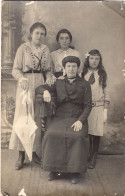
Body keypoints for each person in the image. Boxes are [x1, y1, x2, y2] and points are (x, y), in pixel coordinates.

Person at [35, 56, 92, 184]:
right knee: (51, 134)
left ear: (78, 68)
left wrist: (80, 121)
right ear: (64, 69)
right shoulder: (58, 82)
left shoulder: (85, 84)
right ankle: (53, 169)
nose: (71, 69)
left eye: (74, 66)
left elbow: (88, 105)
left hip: (77, 117)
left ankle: (74, 171)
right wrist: (45, 92)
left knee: (78, 136)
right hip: (60, 117)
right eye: (68, 66)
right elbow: (38, 88)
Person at [9, 22, 55, 170]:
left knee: (37, 118)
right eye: (37, 33)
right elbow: (15, 69)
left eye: (42, 34)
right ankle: (21, 155)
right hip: (25, 84)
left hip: (40, 84)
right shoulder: (23, 48)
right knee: (24, 118)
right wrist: (21, 79)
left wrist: (49, 77)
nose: (40, 36)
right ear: (31, 34)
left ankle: (34, 153)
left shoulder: (45, 49)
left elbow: (48, 69)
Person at [82, 49, 110, 169]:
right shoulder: (83, 74)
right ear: (88, 60)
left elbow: (106, 92)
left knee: (96, 133)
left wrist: (105, 111)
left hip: (98, 107)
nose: (94, 61)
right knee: (86, 132)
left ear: (100, 60)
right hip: (85, 108)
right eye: (92, 58)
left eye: (97, 59)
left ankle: (93, 157)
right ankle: (85, 155)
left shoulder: (102, 74)